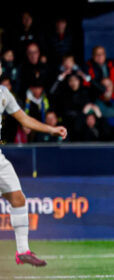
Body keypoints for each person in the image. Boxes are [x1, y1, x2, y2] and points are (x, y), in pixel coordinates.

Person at [0, 61, 67, 266]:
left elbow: (24, 119)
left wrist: (51, 129)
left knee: (18, 199)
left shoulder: (3, 92)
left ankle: (22, 252)